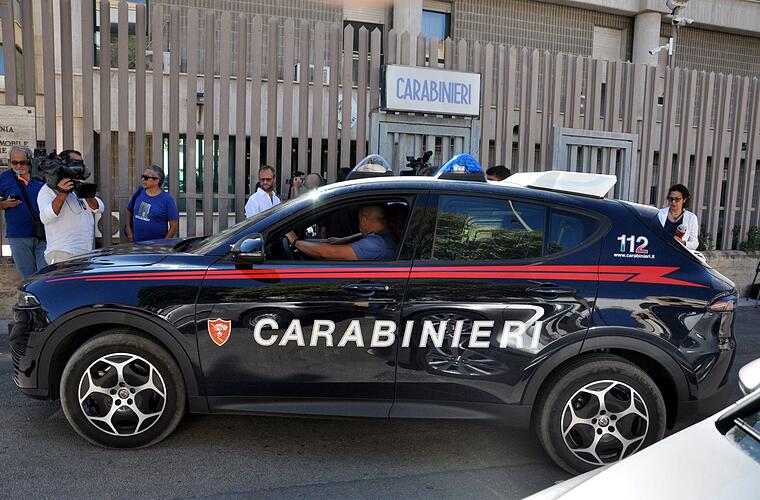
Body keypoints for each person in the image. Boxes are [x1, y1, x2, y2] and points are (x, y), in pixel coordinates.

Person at [37, 150, 104, 264]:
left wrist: (88, 195)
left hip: (85, 252)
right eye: (74, 163)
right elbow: (46, 218)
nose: (78, 167)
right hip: (62, 253)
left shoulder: (78, 185)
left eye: (80, 163)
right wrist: (62, 193)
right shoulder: (47, 190)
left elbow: (99, 208)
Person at [286, 204, 397, 260]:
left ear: (364, 221)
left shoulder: (375, 245)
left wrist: (295, 241)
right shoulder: (386, 237)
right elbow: (365, 237)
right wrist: (343, 240)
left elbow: (329, 253)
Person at [0, 145, 47, 277]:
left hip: (45, 233)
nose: (19, 166)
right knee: (28, 276)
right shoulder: (4, 178)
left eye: (23, 162)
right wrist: (5, 203)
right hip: (18, 235)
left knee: (45, 274)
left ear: (30, 160)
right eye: (14, 162)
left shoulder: (41, 176)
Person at [125, 164, 179, 242]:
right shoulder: (139, 192)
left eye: (146, 178)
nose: (143, 179)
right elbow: (129, 209)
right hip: (137, 244)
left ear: (156, 181)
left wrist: (163, 244)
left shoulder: (167, 199)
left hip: (156, 246)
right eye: (142, 176)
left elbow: (173, 227)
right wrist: (128, 229)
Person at [658, 183, 699, 250]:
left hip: (679, 254)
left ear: (684, 200)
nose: (673, 202)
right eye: (671, 199)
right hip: (660, 251)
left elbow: (695, 243)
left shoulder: (691, 218)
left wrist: (683, 243)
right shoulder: (659, 214)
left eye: (677, 199)